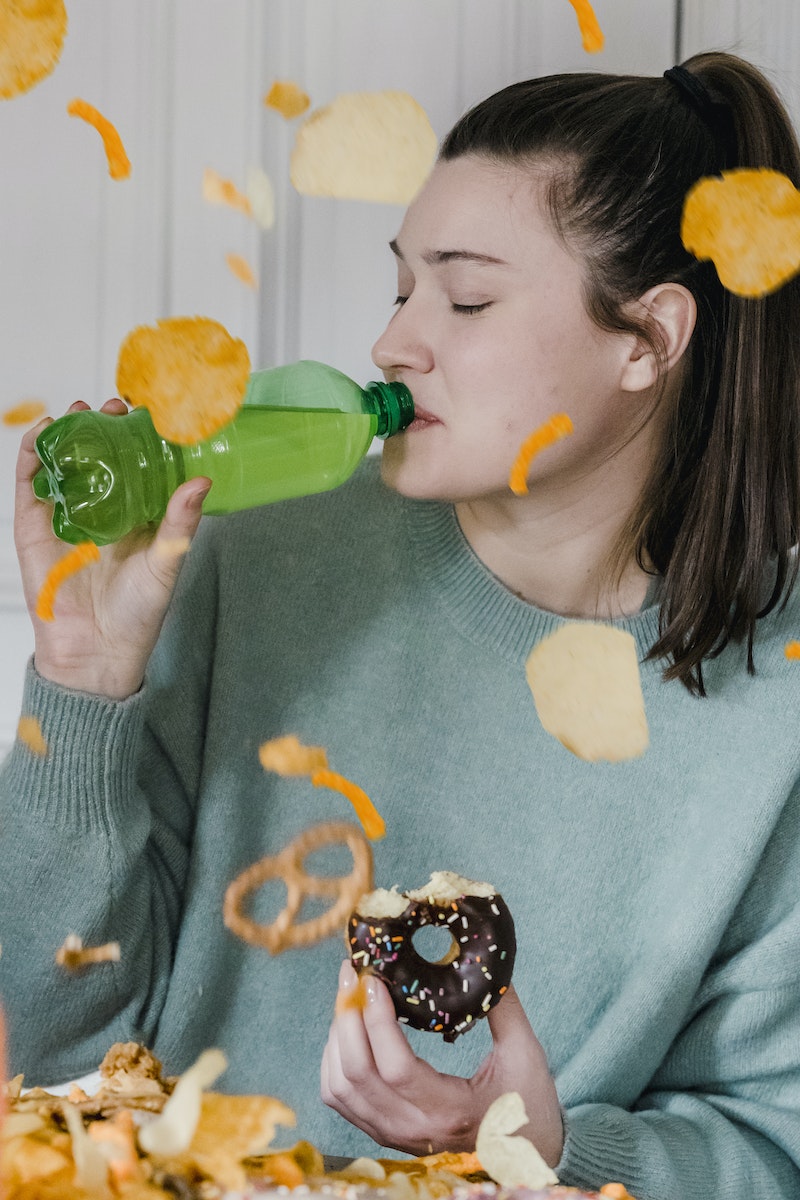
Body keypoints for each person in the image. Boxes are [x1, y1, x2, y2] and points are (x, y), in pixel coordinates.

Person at [2, 49, 800, 1199]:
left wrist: (548, 1155)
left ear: (647, 338)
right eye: (399, 289)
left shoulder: (774, 699)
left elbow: (770, 1146)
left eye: (465, 298)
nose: (391, 344)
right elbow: (58, 1063)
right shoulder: (260, 554)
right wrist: (80, 688)